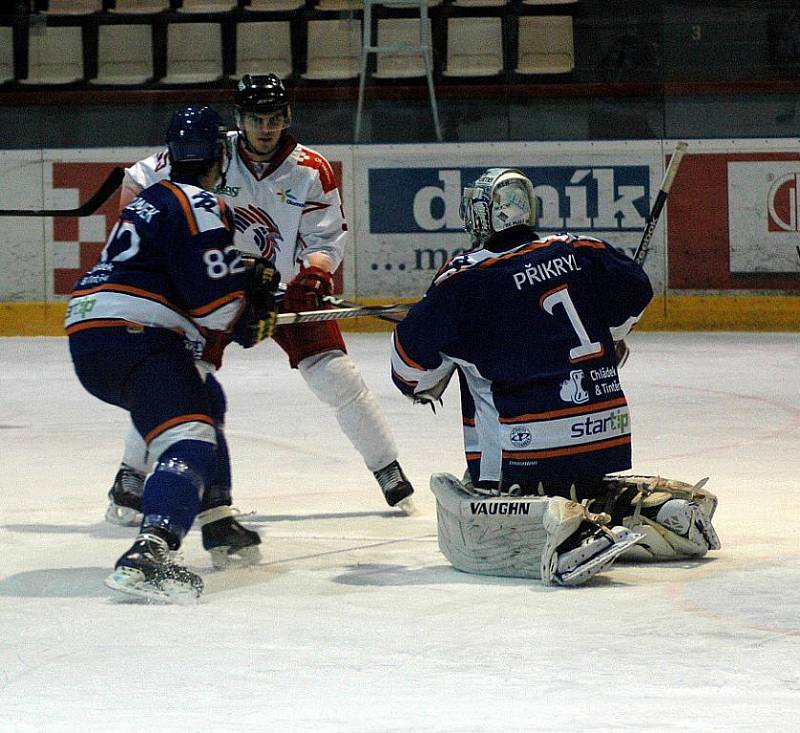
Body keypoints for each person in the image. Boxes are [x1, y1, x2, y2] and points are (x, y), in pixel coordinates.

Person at [105, 73, 414, 528]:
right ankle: (131, 474)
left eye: (273, 118)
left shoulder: (311, 168)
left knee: (336, 376)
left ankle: (387, 468)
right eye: (255, 118)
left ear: (287, 117)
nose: (265, 128)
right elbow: (137, 180)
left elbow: (326, 238)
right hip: (215, 288)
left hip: (282, 291)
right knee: (180, 378)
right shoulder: (212, 149)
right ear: (240, 119)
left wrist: (314, 273)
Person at [390, 168, 720, 586]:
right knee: (579, 483)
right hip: (603, 436)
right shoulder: (580, 248)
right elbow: (636, 289)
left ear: (479, 216)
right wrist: (610, 335)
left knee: (474, 499)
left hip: (523, 452)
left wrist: (437, 371)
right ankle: (662, 514)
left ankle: (562, 529)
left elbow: (407, 370)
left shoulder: (462, 280)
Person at [65, 105, 280, 601]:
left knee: (206, 397)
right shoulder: (202, 202)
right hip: (137, 335)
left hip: (93, 334)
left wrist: (243, 283)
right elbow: (216, 303)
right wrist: (250, 312)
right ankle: (149, 553)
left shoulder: (151, 199)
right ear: (219, 157)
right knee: (190, 436)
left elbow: (183, 274)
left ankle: (218, 517)